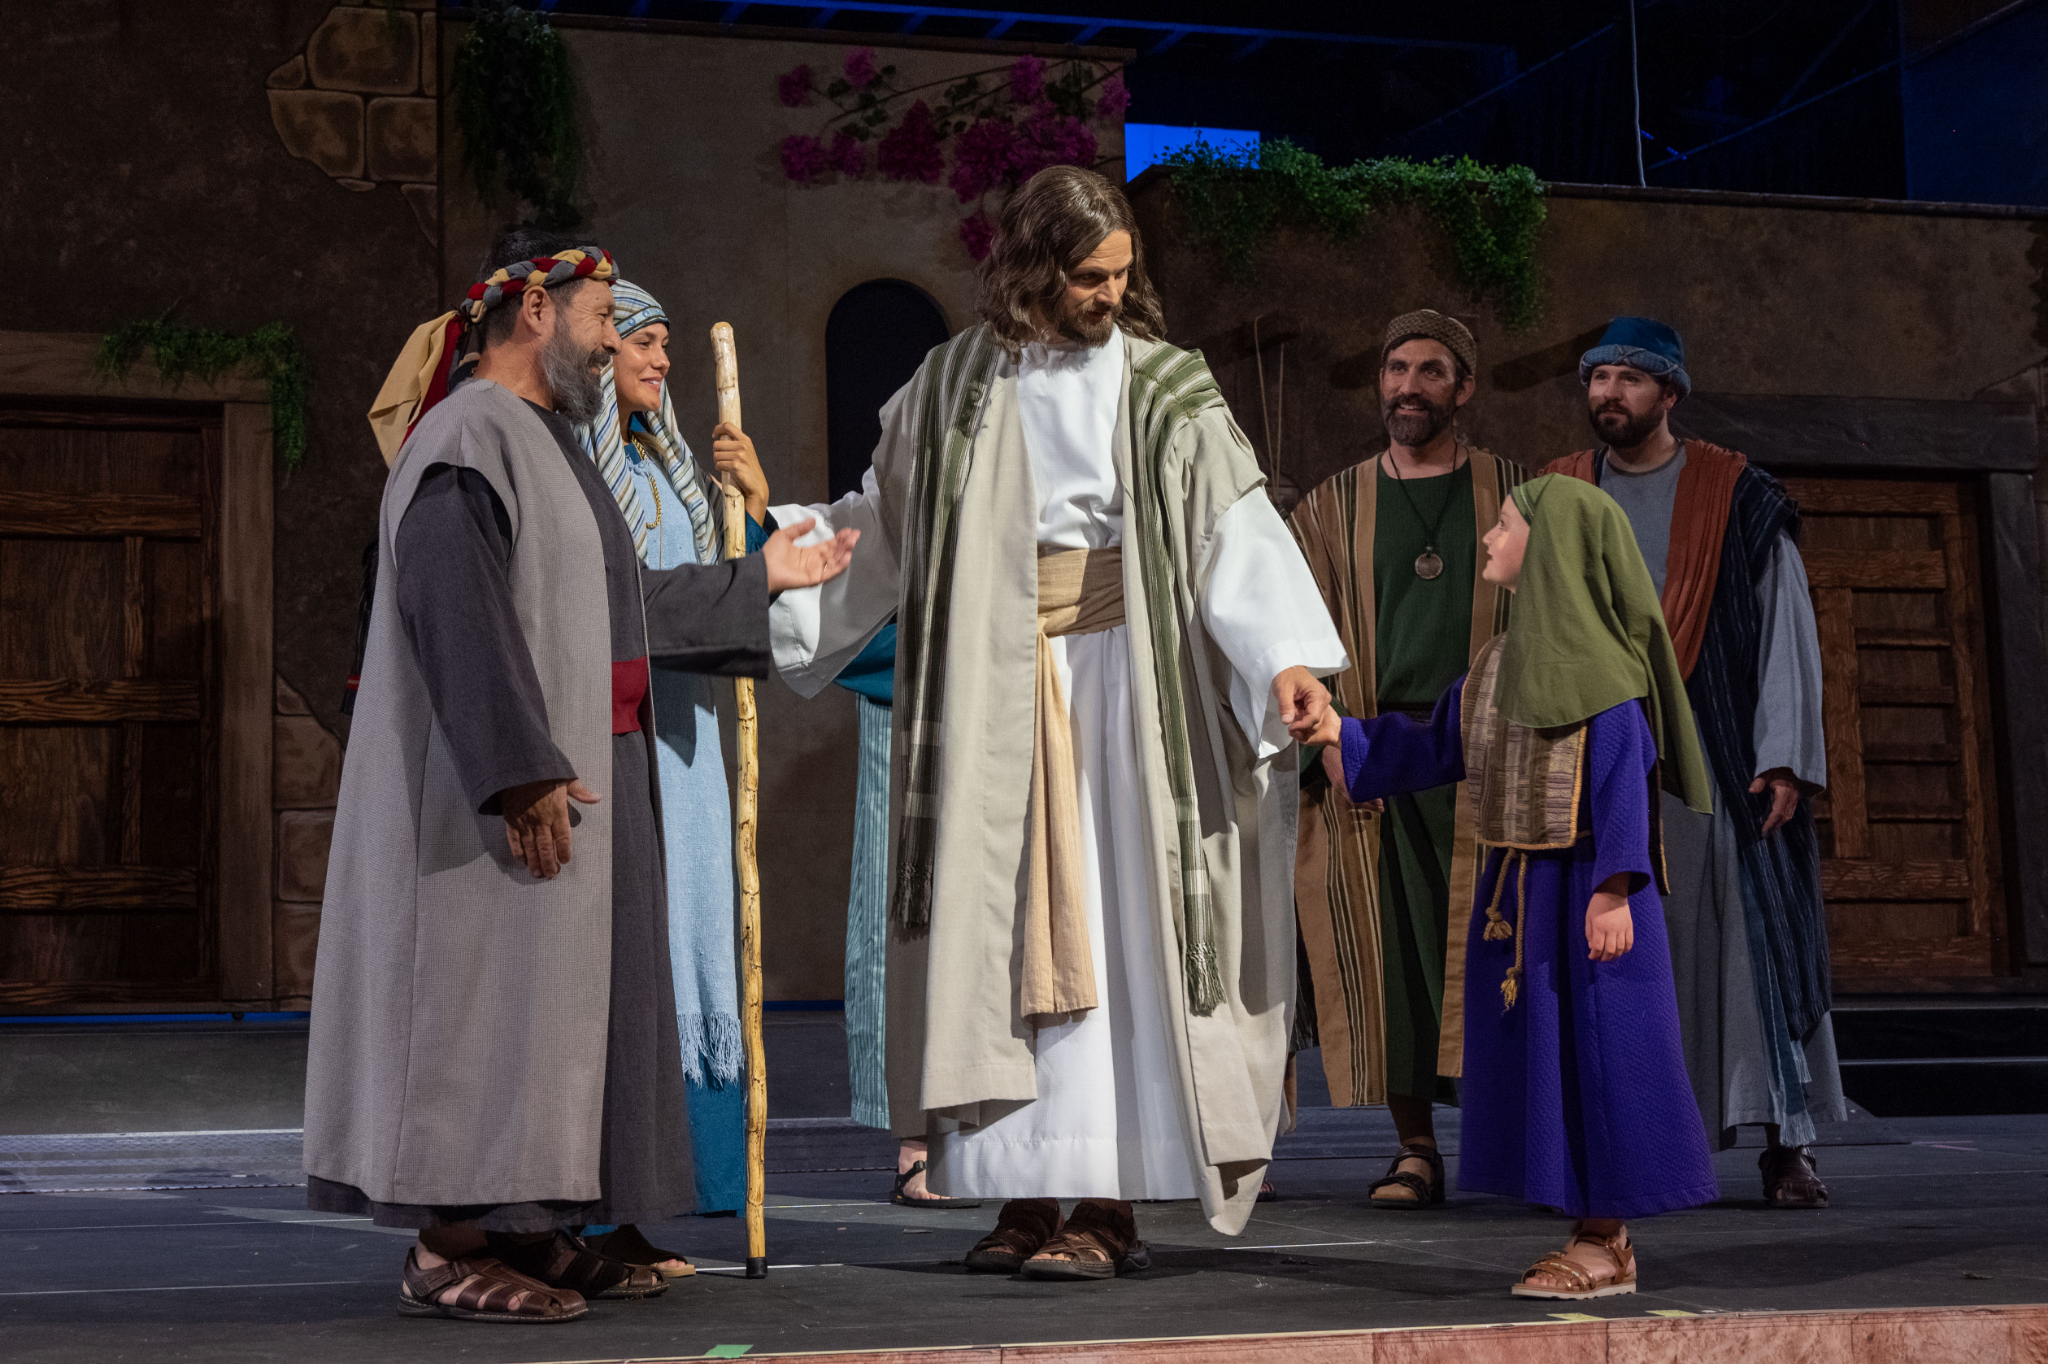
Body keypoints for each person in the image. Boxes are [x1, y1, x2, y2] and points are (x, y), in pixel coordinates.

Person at [765, 165, 1347, 1278]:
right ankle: (1025, 1192)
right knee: (1000, 932)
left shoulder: (1163, 388)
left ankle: (1109, 1202)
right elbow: (882, 522)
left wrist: (1283, 659)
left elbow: (1235, 531)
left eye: (1122, 274)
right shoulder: (951, 385)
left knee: (1124, 928)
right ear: (1033, 270)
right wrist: (787, 564)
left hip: (1130, 693)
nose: (1110, 294)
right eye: (1089, 276)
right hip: (993, 695)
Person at [304, 230, 857, 1325]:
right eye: (602, 319)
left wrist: (756, 580)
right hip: (503, 789)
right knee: (484, 1010)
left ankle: (529, 1227)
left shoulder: (546, 443)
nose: (610, 343)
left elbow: (620, 606)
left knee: (556, 1020)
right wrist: (518, 771)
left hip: (591, 774)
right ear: (535, 310)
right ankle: (448, 1244)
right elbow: (456, 612)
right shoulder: (467, 436)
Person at [1306, 474, 1718, 1298]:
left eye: (1504, 524)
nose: (1489, 538)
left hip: (1590, 895)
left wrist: (1616, 887)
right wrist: (1339, 734)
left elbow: (1623, 784)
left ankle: (1607, 1240)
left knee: (1603, 1058)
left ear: (1553, 546)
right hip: (1520, 898)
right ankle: (1585, 1229)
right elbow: (1435, 745)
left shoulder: (1604, 675)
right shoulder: (1497, 667)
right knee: (1545, 1059)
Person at [1543, 317, 1842, 1207]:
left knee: (1755, 948)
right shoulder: (1561, 490)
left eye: (1629, 379)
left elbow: (1784, 624)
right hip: (1598, 757)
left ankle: (1787, 1142)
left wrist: (1784, 758)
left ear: (1669, 394)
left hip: (1715, 753)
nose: (1609, 394)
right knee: (1619, 955)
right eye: (1599, 378)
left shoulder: (1733, 490)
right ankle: (1629, 1142)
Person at [1288, 309, 1525, 1210]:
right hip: (1371, 760)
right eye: (1396, 369)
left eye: (1430, 370)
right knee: (1390, 962)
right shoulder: (1329, 507)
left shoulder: (1518, 495)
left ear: (1464, 388)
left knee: (1499, 956)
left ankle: (1518, 1145)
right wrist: (1332, 745)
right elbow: (1293, 633)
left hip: (1489, 761)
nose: (1408, 386)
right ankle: (1415, 1148)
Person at [566, 278, 777, 1273]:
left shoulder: (671, 467)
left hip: (687, 745)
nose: (658, 360)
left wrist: (753, 505)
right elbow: (618, 603)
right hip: (621, 735)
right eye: (638, 341)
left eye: (663, 345)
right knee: (628, 959)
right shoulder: (580, 470)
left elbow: (731, 579)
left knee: (685, 946)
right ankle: (591, 1216)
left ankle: (641, 1209)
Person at [831, 621, 984, 1210]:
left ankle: (999, 1133)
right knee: (902, 899)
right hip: (910, 667)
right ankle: (915, 1139)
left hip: (1004, 665)